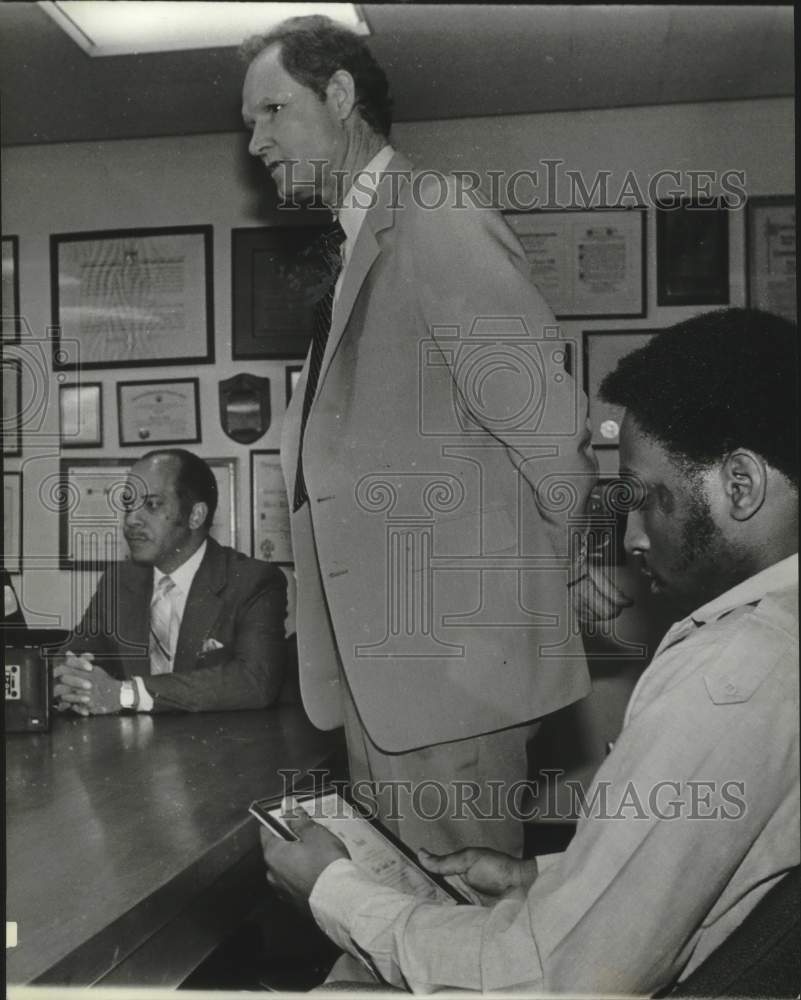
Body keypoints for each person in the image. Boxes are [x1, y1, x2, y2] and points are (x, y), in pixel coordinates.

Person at [260, 308, 799, 994]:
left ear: (741, 485)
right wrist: (539, 877)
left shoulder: (732, 676)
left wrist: (330, 890)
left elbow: (547, 979)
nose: (631, 538)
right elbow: (705, 865)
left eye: (642, 497)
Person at [241, 15, 620, 856]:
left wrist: (515, 611)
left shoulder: (433, 217)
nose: (257, 142)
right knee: (410, 930)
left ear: (338, 96)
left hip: (449, 680)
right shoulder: (361, 242)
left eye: (271, 112)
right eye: (251, 124)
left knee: (456, 938)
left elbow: (555, 440)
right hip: (393, 685)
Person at [53, 449, 288, 715]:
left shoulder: (251, 582)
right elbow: (72, 656)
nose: (131, 520)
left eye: (152, 505)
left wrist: (126, 694)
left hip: (218, 751)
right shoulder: (119, 581)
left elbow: (255, 681)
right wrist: (70, 680)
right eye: (128, 505)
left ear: (195, 516)